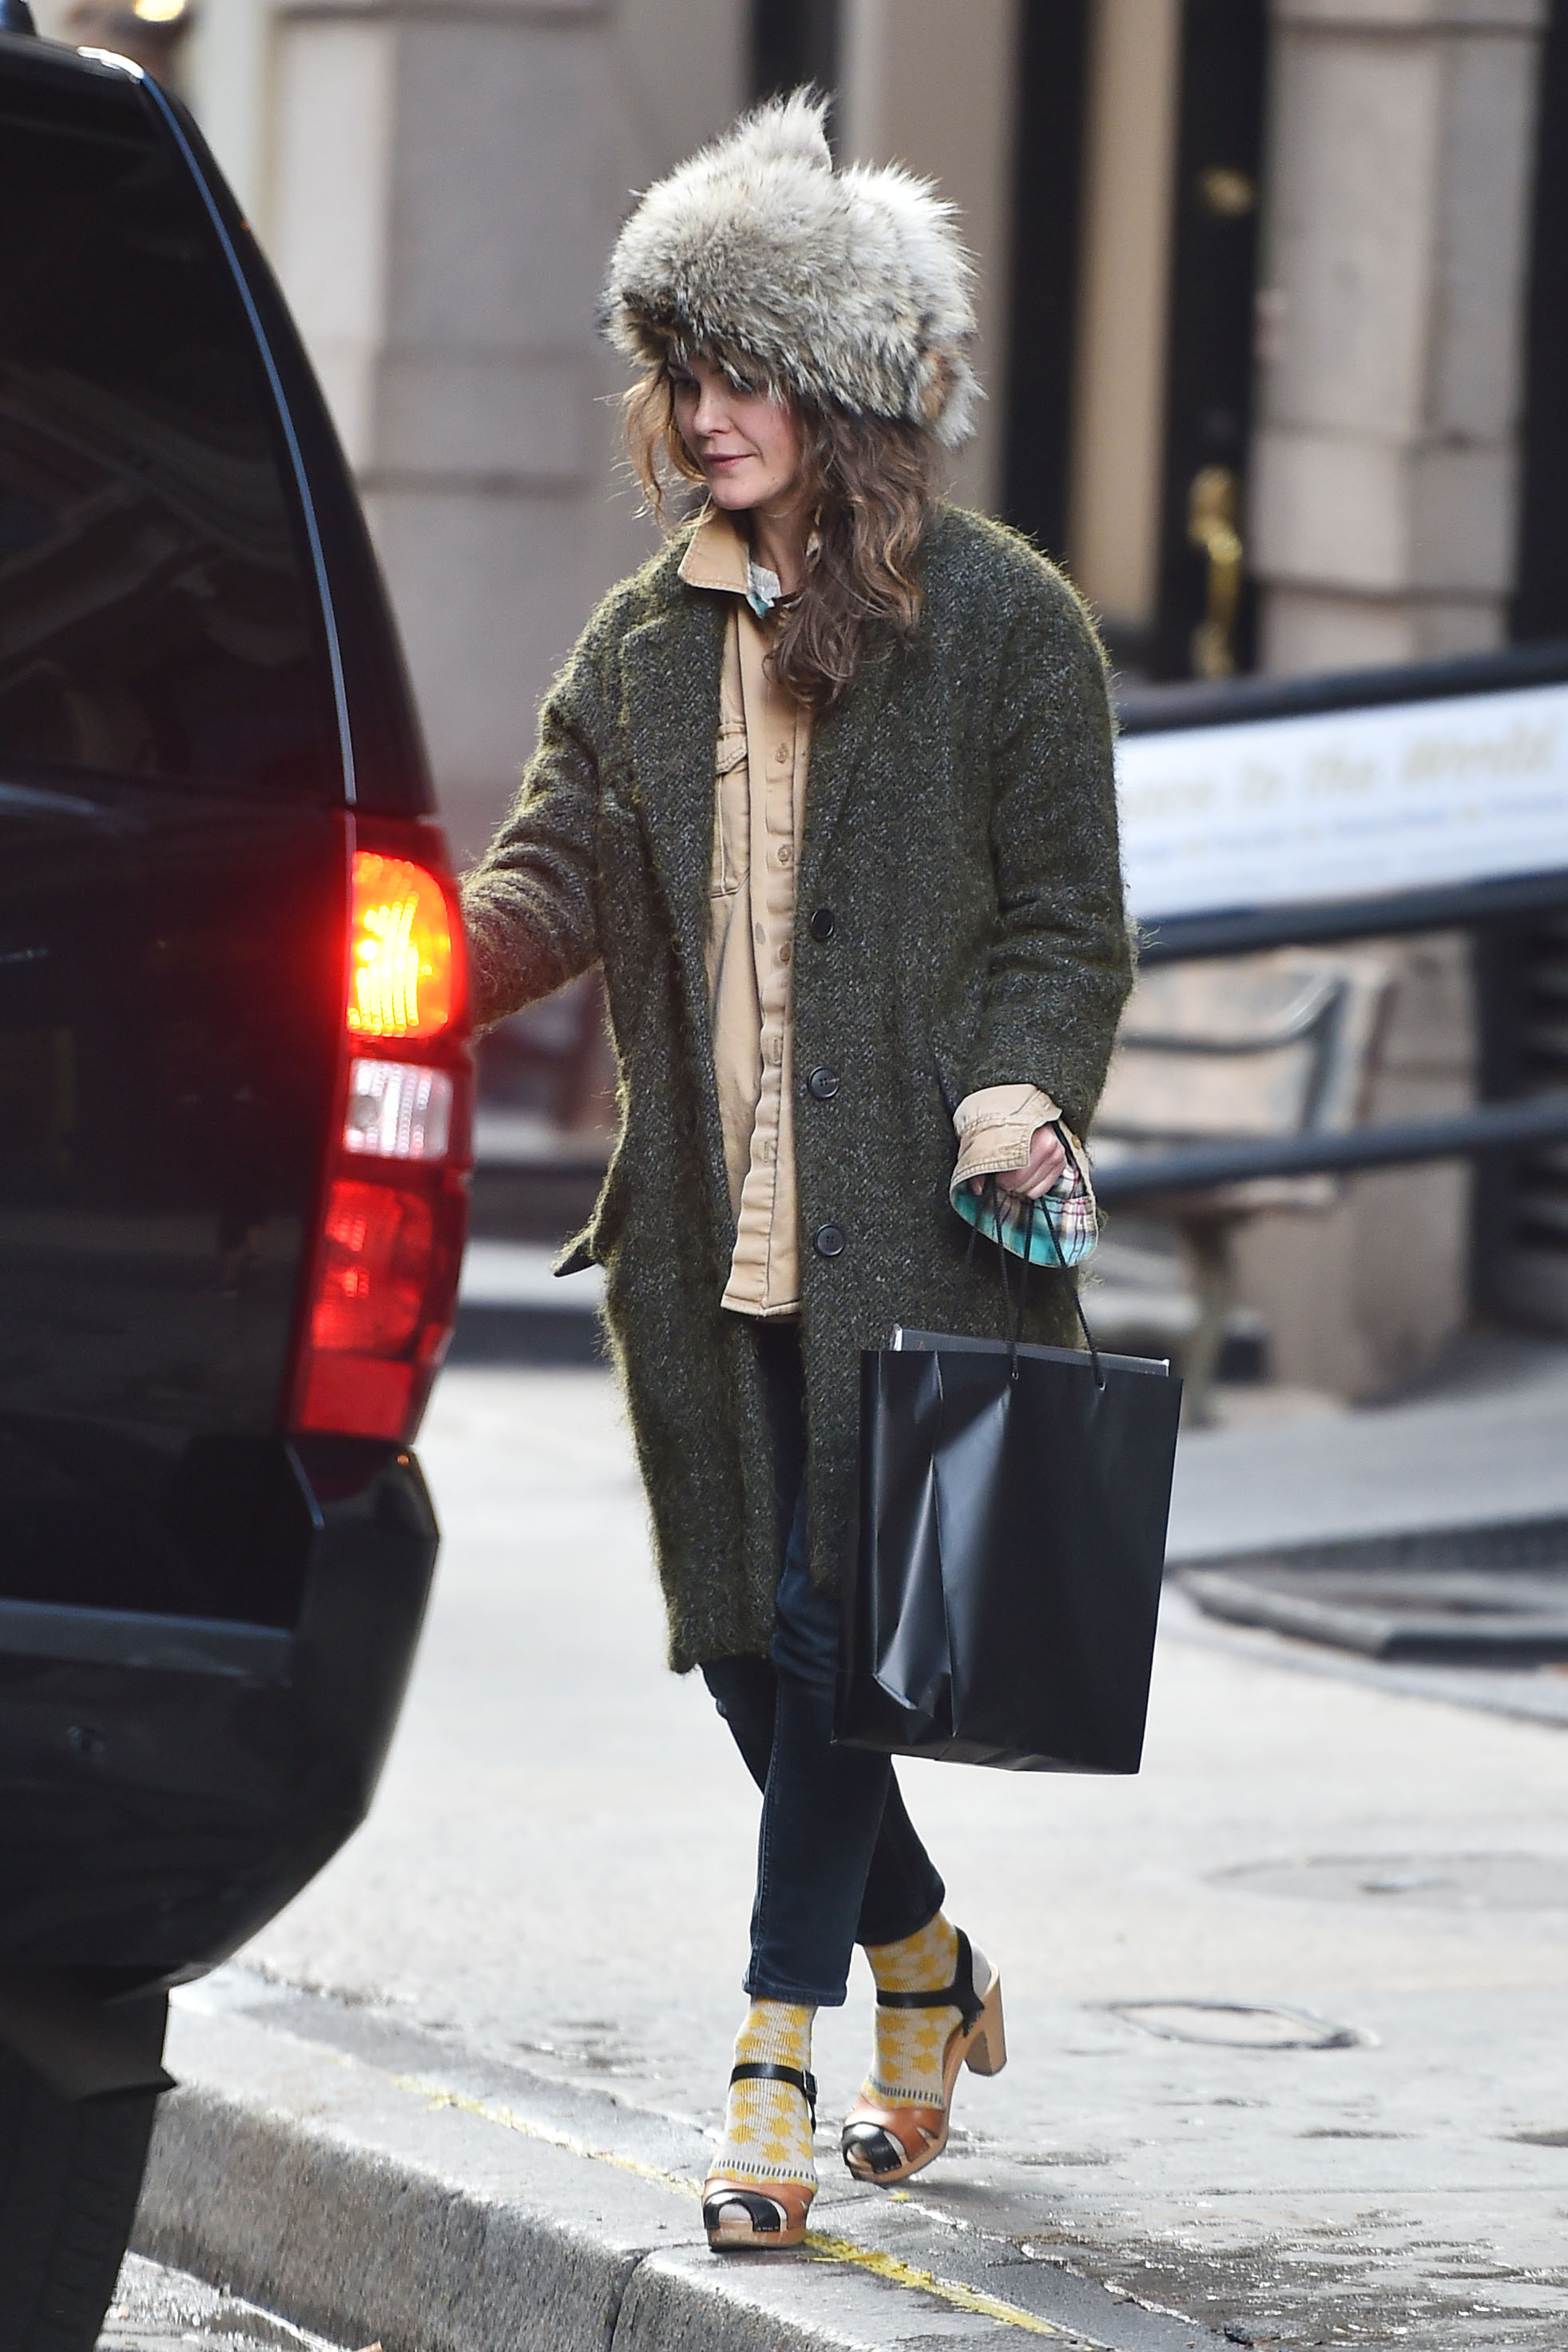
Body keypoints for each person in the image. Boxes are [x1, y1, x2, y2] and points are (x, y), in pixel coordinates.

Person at [461, 90, 1132, 2252]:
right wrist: (405, 967)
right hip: (704, 1243)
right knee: (753, 1651)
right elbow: (552, 872)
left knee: (842, 1633)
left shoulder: (1004, 628)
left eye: (744, 369)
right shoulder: (641, 645)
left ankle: (775, 2057)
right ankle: (924, 1955)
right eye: (682, 369)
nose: (703, 412)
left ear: (844, 390)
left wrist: (1020, 1086)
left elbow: (1066, 923)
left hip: (921, 1239)